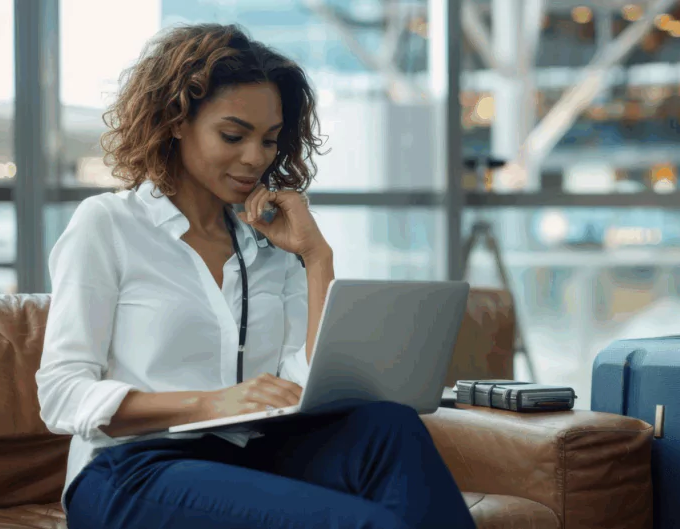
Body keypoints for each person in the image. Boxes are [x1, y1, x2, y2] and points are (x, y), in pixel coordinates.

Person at [35, 23, 477, 529]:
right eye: (233, 135)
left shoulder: (264, 242)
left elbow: (306, 388)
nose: (256, 158)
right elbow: (62, 395)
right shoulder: (108, 225)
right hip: (133, 467)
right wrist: (209, 403)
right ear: (177, 121)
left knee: (389, 426)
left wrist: (316, 260)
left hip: (251, 456)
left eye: (269, 140)